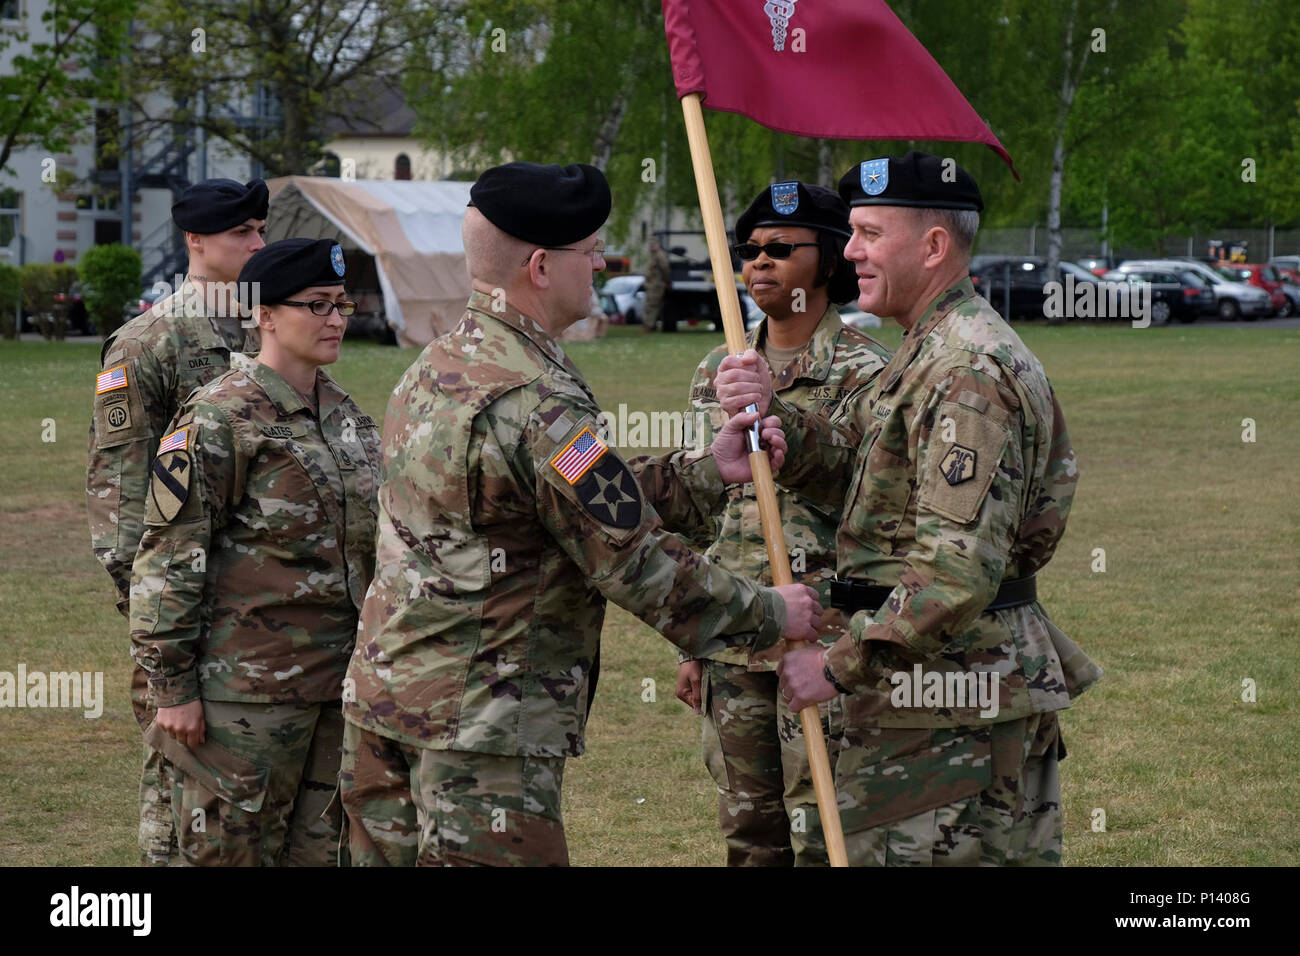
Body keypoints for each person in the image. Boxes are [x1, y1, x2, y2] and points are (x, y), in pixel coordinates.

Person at [339, 161, 825, 867]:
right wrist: (771, 613)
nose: (601, 262)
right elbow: (634, 562)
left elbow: (560, 505)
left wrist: (704, 470)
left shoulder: (437, 367)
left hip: (389, 707)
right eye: (590, 250)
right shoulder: (536, 397)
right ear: (540, 266)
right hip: (480, 733)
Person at [716, 151, 1102, 866]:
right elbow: (875, 480)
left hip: (948, 706)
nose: (850, 251)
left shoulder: (966, 369)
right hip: (931, 697)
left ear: (933, 246)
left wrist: (839, 664)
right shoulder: (925, 351)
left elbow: (955, 576)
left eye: (867, 233)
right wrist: (782, 434)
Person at [129, 238, 381, 866]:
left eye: (342, 304)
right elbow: (168, 557)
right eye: (317, 305)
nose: (336, 319)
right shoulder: (218, 417)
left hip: (336, 690)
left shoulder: (347, 415)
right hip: (242, 697)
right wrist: (172, 689)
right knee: (226, 855)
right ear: (264, 314)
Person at [670, 181, 892, 866]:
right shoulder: (721, 369)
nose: (759, 263)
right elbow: (702, 507)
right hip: (735, 635)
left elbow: (872, 502)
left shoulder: (868, 374)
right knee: (749, 832)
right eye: (749, 250)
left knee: (824, 829)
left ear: (827, 263)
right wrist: (690, 636)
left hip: (819, 638)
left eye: (779, 249)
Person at [86, 177, 267, 865]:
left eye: (259, 231)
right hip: (186, 604)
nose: (257, 245)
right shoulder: (147, 344)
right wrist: (158, 627)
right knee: (181, 787)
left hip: (268, 608)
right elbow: (121, 498)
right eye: (240, 234)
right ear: (195, 241)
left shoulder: (271, 328)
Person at [643, 235, 671, 329]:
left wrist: (666, 280)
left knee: (652, 306)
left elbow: (665, 269)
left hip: (656, 285)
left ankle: (649, 326)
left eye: (654, 244)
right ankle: (649, 325)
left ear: (658, 245)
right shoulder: (654, 255)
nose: (652, 246)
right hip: (652, 285)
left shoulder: (660, 255)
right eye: (651, 244)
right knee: (650, 305)